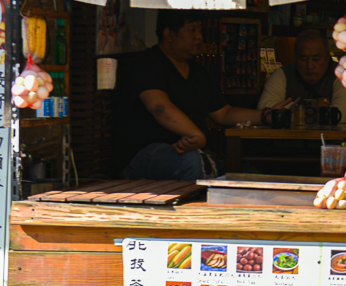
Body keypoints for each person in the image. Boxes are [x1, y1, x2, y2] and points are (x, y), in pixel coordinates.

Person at [113, 10, 267, 180]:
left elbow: (224, 114)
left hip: (195, 153)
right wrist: (197, 135)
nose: (199, 36)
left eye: (200, 30)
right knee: (192, 162)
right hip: (142, 156)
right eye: (192, 30)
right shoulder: (147, 63)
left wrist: (267, 115)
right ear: (169, 34)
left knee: (248, 174)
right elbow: (159, 106)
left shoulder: (198, 71)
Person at [257, 29, 346, 122]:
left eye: (316, 59)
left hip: (332, 140)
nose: (309, 66)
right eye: (303, 59)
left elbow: (340, 115)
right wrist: (313, 107)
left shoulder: (344, 75)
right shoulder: (283, 74)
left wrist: (289, 112)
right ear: (296, 57)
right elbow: (265, 111)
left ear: (327, 57)